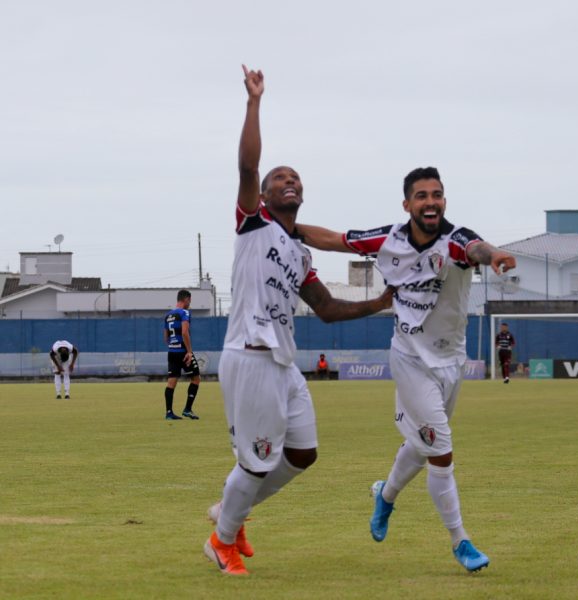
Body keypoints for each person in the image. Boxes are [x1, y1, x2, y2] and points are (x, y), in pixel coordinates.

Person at [203, 65, 394, 576]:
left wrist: (379, 303)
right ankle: (221, 542)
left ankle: (231, 513)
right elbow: (246, 168)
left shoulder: (298, 252)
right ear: (263, 195)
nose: (291, 182)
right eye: (280, 178)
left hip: (284, 363)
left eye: (297, 179)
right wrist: (254, 104)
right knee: (256, 462)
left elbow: (328, 309)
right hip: (250, 355)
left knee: (303, 454)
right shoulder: (254, 223)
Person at [297, 166, 516, 573]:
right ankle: (461, 542)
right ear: (407, 204)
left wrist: (496, 255)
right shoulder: (388, 240)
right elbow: (335, 240)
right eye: (422, 195)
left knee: (421, 446)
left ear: (444, 201)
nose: (430, 202)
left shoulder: (455, 240)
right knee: (441, 451)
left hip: (451, 362)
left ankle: (386, 496)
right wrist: (284, 224)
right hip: (410, 360)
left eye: (437, 194)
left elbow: (477, 249)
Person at [164, 289, 201, 420]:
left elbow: (166, 337)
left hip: (172, 352)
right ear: (186, 299)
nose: (189, 303)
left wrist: (173, 345)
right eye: (189, 300)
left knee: (171, 383)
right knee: (196, 379)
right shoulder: (184, 312)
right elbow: (185, 332)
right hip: (183, 353)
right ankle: (187, 409)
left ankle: (169, 413)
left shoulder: (168, 315)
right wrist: (189, 352)